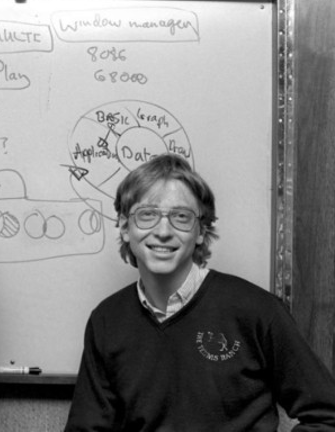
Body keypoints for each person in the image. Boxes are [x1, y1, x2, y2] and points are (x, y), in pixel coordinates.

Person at [65, 153, 335, 431]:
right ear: (125, 228)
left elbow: (327, 417)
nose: (163, 231)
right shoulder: (107, 320)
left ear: (201, 231)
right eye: (147, 215)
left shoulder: (257, 311)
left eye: (181, 217)